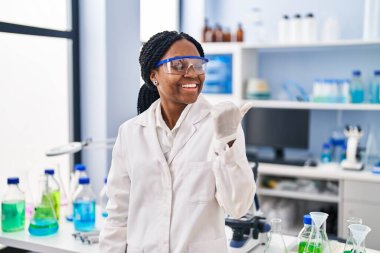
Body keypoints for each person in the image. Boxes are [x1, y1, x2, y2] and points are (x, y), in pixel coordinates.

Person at [99, 31, 256, 253]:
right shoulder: (130, 132)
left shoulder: (221, 127)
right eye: (179, 65)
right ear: (154, 75)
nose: (192, 73)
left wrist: (228, 141)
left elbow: (238, 206)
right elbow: (118, 214)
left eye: (198, 65)